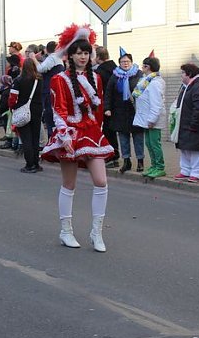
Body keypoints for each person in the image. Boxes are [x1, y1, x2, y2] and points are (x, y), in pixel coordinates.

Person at [41, 24, 114, 252]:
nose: (83, 56)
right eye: (78, 53)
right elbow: (58, 110)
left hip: (91, 133)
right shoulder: (59, 79)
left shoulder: (97, 78)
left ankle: (97, 232)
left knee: (101, 181)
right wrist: (63, 134)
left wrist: (99, 129)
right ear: (70, 55)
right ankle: (66, 230)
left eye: (86, 52)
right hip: (70, 133)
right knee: (69, 184)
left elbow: (98, 109)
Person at [173, 63, 199, 182]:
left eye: (183, 73)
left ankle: (197, 172)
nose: (181, 76)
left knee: (196, 150)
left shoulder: (198, 87)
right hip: (185, 124)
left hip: (196, 125)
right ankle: (185, 170)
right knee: (186, 148)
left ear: (189, 74)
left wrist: (194, 124)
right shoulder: (187, 87)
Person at [107, 48, 144, 173]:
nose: (125, 63)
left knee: (138, 137)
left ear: (132, 62)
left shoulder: (139, 74)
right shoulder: (115, 76)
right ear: (119, 63)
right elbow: (109, 94)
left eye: (127, 61)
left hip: (135, 111)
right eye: (123, 61)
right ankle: (126, 161)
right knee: (123, 138)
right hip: (120, 112)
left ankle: (140, 161)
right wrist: (107, 108)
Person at [133, 56, 166, 178]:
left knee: (154, 143)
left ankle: (160, 166)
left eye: (144, 66)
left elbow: (156, 104)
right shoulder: (147, 81)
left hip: (153, 120)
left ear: (149, 67)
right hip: (146, 119)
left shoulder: (155, 83)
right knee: (148, 143)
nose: (142, 68)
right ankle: (153, 165)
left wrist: (152, 119)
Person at [9, 54, 43, 172]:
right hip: (37, 110)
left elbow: (13, 98)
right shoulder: (39, 80)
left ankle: (29, 164)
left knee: (26, 137)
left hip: (23, 110)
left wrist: (12, 107)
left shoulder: (18, 80)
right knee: (35, 137)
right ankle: (36, 163)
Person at [93, 46, 120, 168]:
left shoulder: (99, 72)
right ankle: (115, 155)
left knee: (107, 132)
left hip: (106, 105)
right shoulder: (116, 69)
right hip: (118, 105)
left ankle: (111, 156)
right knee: (111, 131)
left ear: (98, 57)